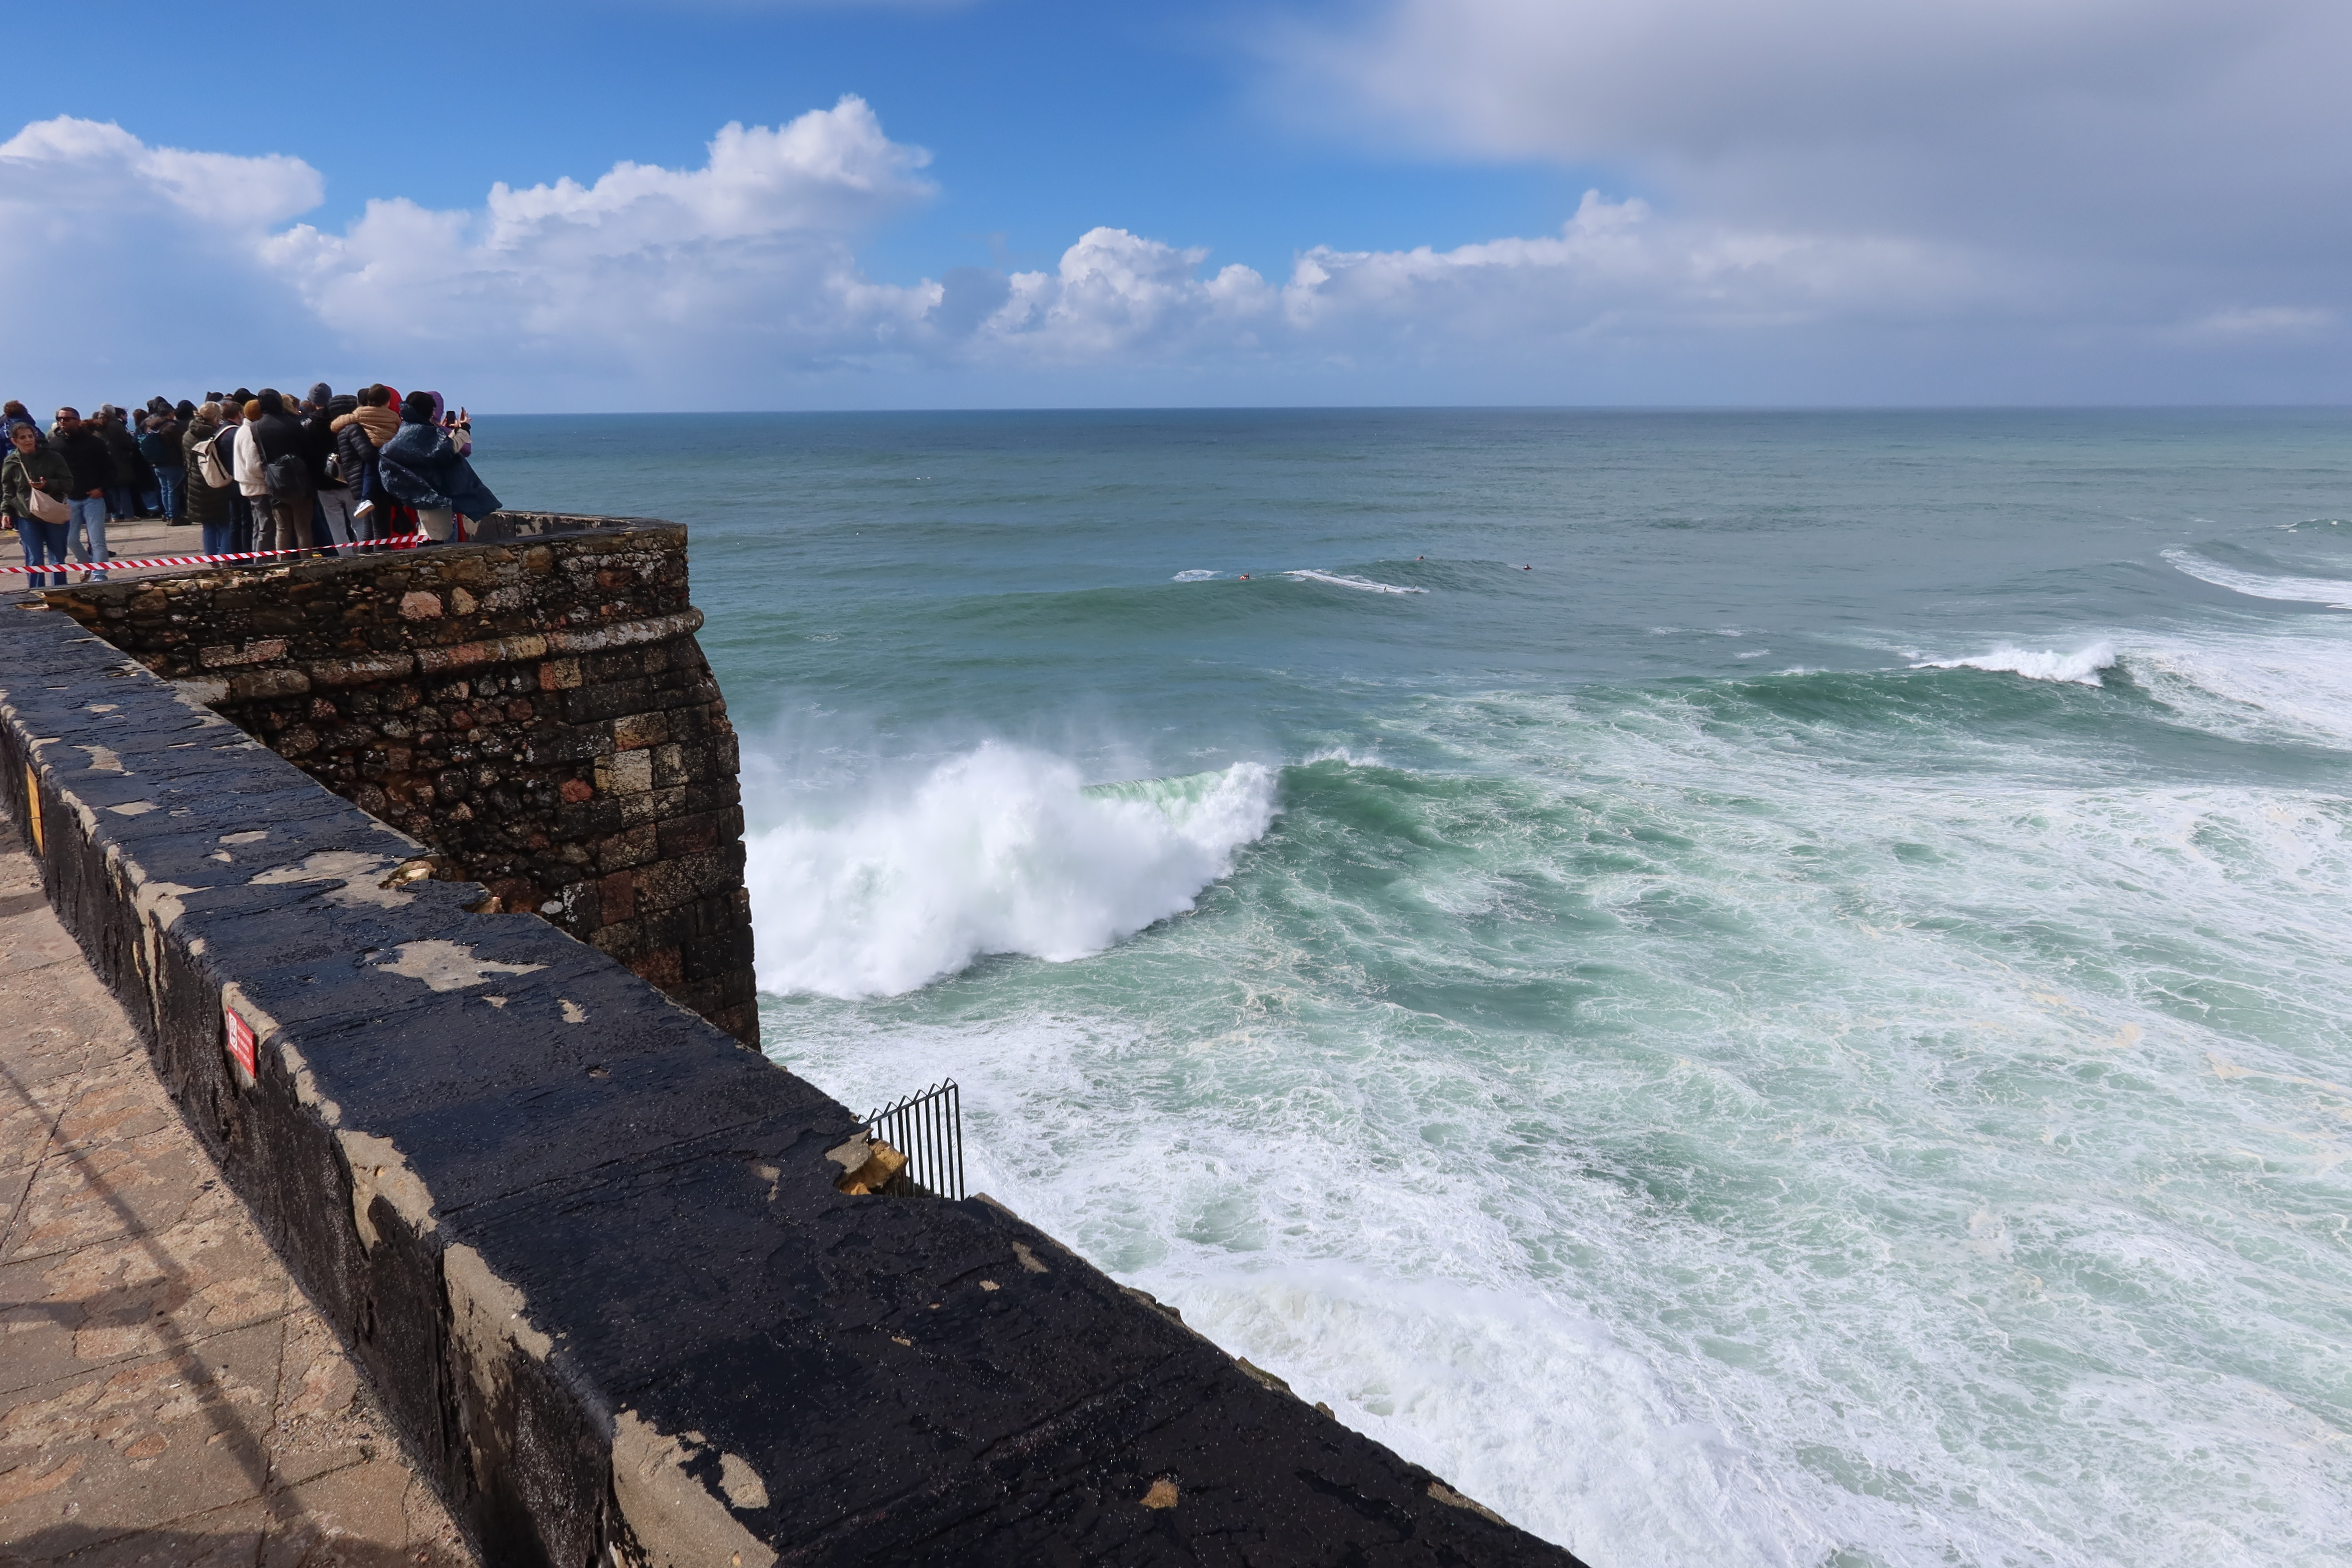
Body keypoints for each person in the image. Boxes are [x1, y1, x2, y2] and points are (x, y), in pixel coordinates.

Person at [377, 390, 498, 543]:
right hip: (435, 493)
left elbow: (437, 449)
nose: (435, 413)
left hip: (420, 492)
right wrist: (465, 429)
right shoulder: (423, 432)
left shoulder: (408, 429)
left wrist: (452, 432)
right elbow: (447, 450)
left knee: (427, 532)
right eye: (433, 409)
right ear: (427, 410)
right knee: (438, 535)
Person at [236, 390, 312, 557]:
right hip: (300, 480)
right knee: (303, 527)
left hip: (275, 481)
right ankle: (307, 562)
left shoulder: (256, 427)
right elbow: (308, 451)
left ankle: (283, 563)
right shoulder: (294, 424)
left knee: (282, 527)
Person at [2, 421, 75, 587]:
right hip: (26, 514)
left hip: (53, 512)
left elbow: (68, 483)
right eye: (23, 438)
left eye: (30, 436)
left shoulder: (53, 457)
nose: (28, 440)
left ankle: (59, 593)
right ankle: (36, 594)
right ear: (14, 441)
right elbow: (8, 490)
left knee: (58, 558)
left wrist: (47, 484)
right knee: (34, 559)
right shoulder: (11, 462)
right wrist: (6, 512)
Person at [50, 407, 112, 581]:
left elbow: (109, 469)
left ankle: (99, 576)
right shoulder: (54, 444)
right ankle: (87, 564)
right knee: (71, 540)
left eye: (67, 419)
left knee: (97, 540)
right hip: (69, 499)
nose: (63, 422)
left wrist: (102, 489)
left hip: (93, 498)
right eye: (59, 419)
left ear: (77, 420)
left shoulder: (95, 443)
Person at [302, 384, 361, 556]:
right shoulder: (344, 422)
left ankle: (345, 556)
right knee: (358, 521)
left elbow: (308, 456)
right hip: (349, 479)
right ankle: (364, 552)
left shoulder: (309, 426)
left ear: (312, 402)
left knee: (336, 524)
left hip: (323, 483)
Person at [334, 384, 397, 540]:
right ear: (388, 402)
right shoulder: (394, 416)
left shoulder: (361, 413)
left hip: (371, 453)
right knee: (381, 529)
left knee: (369, 529)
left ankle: (365, 499)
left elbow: (337, 425)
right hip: (388, 455)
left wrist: (338, 423)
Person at [182, 402, 234, 556]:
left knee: (208, 526)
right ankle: (225, 556)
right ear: (215, 417)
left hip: (196, 482)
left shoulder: (188, 435)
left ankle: (211, 558)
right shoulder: (215, 436)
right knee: (225, 524)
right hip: (215, 481)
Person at [138, 407, 187, 527]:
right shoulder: (172, 427)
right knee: (172, 490)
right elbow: (182, 445)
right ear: (169, 414)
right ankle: (174, 516)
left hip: (158, 464)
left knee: (165, 489)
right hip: (173, 463)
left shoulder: (153, 427)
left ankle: (167, 514)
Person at [95, 406, 143, 521]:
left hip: (105, 460)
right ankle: (129, 515)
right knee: (124, 489)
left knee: (113, 490)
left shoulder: (98, 426)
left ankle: (115, 516)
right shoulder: (115, 425)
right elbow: (126, 442)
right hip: (120, 459)